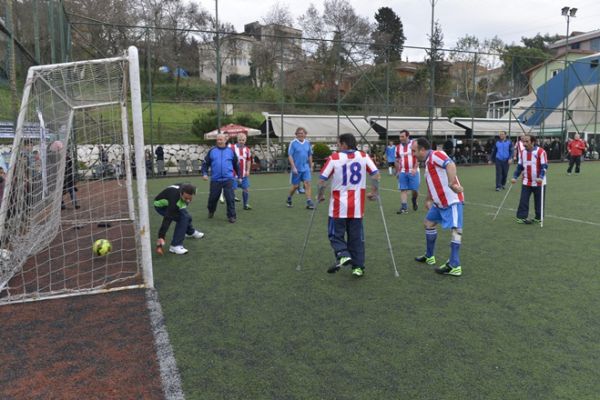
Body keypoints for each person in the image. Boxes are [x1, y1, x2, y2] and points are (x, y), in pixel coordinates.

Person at [317, 133, 380, 278]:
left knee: (335, 234)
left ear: (344, 144)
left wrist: (320, 195)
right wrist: (374, 192)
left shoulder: (334, 158)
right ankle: (358, 267)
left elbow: (322, 180)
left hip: (338, 207)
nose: (337, 147)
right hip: (357, 207)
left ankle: (343, 254)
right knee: (356, 238)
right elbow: (376, 175)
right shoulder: (363, 156)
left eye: (338, 144)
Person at [412, 137, 464, 277]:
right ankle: (429, 256)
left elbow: (450, 165)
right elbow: (432, 182)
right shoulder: (428, 162)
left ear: (422, 150)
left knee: (456, 230)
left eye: (414, 151)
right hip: (438, 203)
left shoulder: (436, 155)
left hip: (451, 201)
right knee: (428, 224)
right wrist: (429, 199)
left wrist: (452, 184)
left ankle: (454, 265)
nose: (413, 154)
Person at [153, 183, 204, 255]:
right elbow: (167, 219)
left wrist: (186, 199)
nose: (188, 201)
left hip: (173, 202)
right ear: (181, 193)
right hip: (161, 206)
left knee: (187, 216)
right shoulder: (174, 200)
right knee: (183, 218)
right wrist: (161, 236)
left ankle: (190, 232)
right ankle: (175, 246)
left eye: (190, 198)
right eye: (186, 198)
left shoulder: (190, 189)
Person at [202, 133, 241, 223]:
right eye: (218, 140)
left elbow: (236, 165)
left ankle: (231, 216)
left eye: (221, 140)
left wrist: (239, 176)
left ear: (225, 140)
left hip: (228, 179)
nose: (219, 141)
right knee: (213, 198)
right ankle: (211, 211)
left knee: (230, 198)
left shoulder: (231, 151)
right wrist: (204, 173)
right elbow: (205, 164)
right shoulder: (212, 151)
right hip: (215, 180)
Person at [511, 135, 548, 225]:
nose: (524, 143)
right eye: (523, 141)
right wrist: (514, 176)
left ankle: (538, 217)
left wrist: (541, 177)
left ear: (532, 142)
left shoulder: (541, 152)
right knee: (523, 200)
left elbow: (544, 166)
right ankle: (521, 217)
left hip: (539, 182)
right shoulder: (523, 152)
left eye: (527, 141)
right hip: (526, 181)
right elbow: (520, 166)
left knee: (539, 201)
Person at [286, 127, 315, 209]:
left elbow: (309, 155)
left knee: (307, 184)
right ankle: (289, 198)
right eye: (298, 133)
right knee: (295, 186)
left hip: (305, 167)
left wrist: (311, 166)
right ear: (296, 134)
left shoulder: (308, 143)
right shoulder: (293, 143)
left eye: (302, 133)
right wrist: (293, 167)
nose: (300, 135)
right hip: (296, 168)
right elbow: (290, 155)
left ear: (305, 134)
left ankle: (309, 201)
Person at [394, 130, 419, 214]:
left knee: (414, 190)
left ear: (407, 136)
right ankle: (404, 207)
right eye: (400, 136)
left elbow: (419, 157)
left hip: (414, 171)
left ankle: (414, 200)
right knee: (403, 189)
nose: (400, 138)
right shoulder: (397, 147)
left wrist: (415, 168)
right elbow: (397, 160)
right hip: (403, 171)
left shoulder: (414, 144)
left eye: (402, 136)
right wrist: (397, 171)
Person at [231, 133, 252, 210]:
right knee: (233, 189)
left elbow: (249, 161)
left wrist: (248, 170)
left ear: (245, 140)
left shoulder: (247, 150)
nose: (241, 141)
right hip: (234, 174)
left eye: (243, 140)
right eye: (240, 140)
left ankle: (245, 204)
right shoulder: (232, 148)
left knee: (246, 189)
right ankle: (232, 205)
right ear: (237, 140)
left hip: (244, 174)